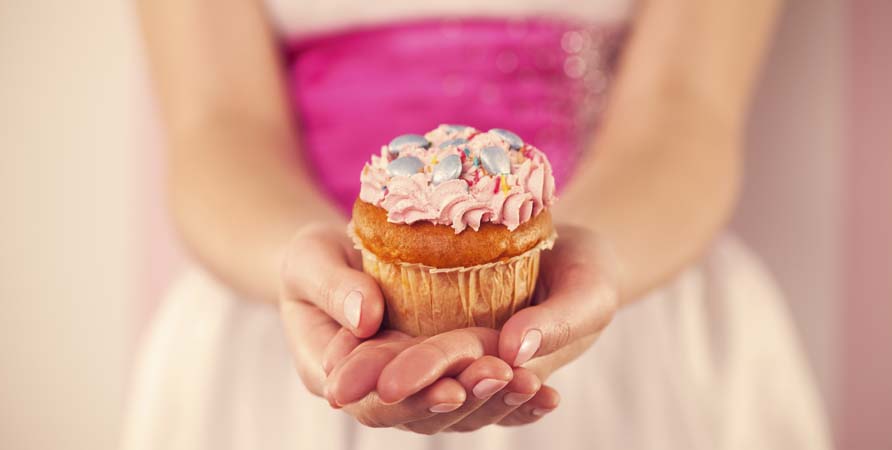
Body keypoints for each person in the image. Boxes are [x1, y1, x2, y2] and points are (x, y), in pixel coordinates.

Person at [123, 0, 831, 448]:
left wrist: (592, 258)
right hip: (295, 324)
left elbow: (686, 113)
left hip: (628, 298)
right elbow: (216, 127)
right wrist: (302, 263)